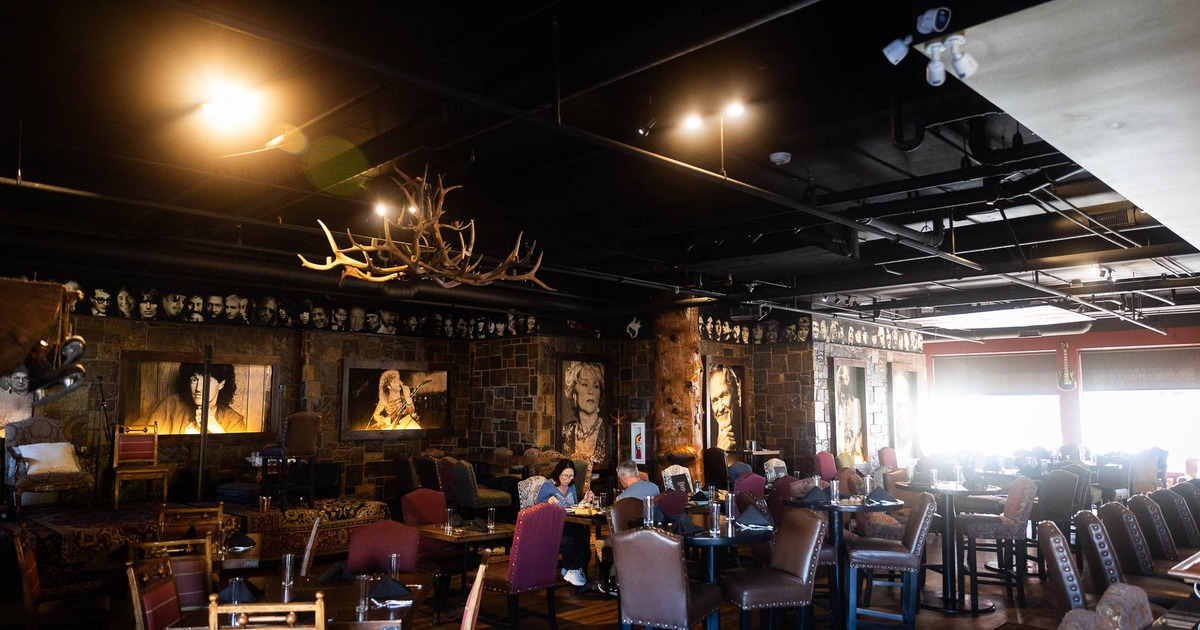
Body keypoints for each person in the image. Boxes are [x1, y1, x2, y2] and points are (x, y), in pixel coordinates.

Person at [132, 362, 245, 434]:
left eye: (207, 381)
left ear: (221, 384)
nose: (199, 389)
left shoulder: (234, 420)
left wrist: (215, 428)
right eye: (194, 380)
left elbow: (236, 459)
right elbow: (132, 435)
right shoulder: (171, 405)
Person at [536, 459, 594, 587]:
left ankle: (574, 570)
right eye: (565, 476)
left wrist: (585, 501)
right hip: (552, 525)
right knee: (570, 540)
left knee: (584, 536)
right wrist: (547, 501)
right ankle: (571, 569)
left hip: (569, 522)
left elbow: (574, 507)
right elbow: (538, 508)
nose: (568, 479)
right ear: (558, 474)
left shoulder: (571, 486)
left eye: (571, 476)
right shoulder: (548, 485)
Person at [561, 361, 606, 466]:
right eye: (585, 384)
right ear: (574, 393)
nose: (591, 391)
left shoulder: (606, 431)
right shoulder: (566, 430)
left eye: (595, 386)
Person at [836, 364, 866, 464]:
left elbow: (858, 428)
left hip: (854, 449)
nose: (846, 377)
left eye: (848, 374)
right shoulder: (838, 404)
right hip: (842, 448)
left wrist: (852, 444)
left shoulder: (855, 402)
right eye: (844, 374)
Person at [708, 364, 742, 451]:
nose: (720, 408)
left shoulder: (745, 434)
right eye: (715, 400)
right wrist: (720, 450)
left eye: (724, 395)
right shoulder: (706, 440)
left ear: (735, 394)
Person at [0, 366, 34, 437]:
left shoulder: (36, 397)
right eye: (17, 378)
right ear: (9, 380)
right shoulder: (1, 395)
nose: (21, 381)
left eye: (25, 378)